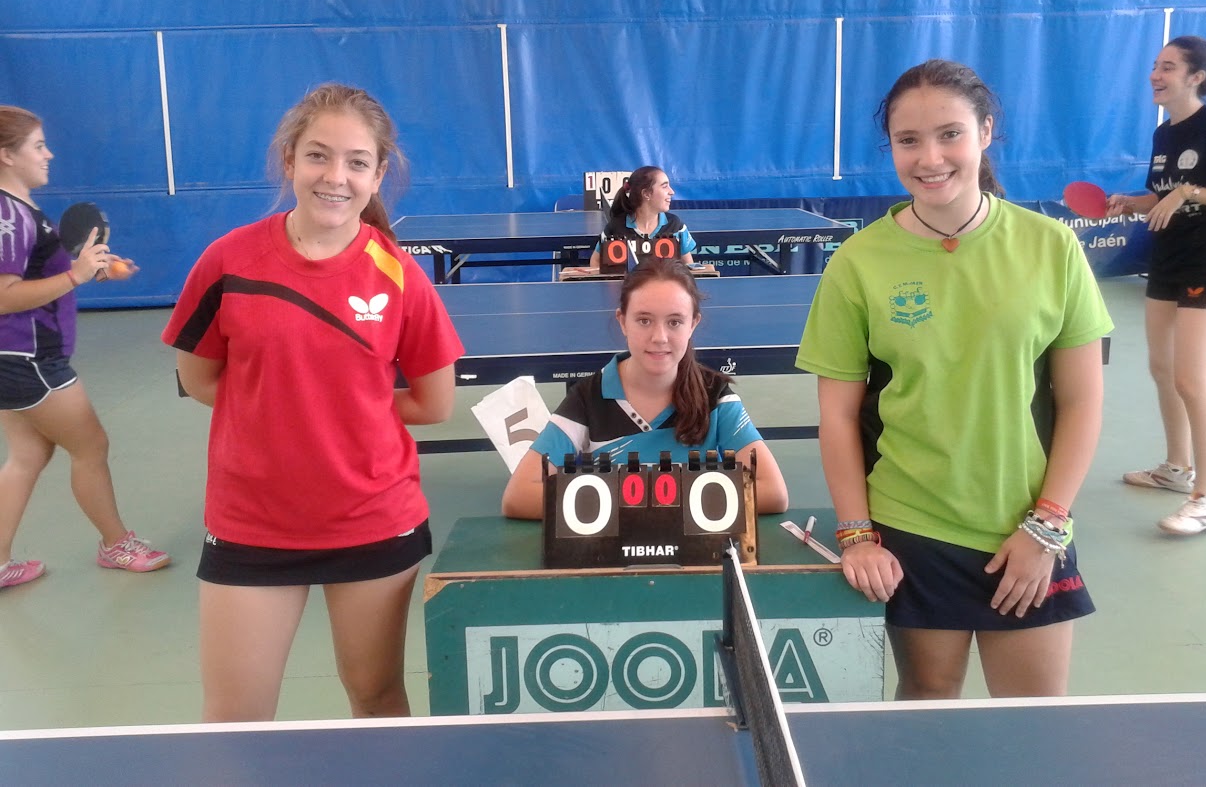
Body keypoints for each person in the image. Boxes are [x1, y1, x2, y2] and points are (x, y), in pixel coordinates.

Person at [796, 60, 1112, 699]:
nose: (930, 158)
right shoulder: (857, 262)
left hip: (1027, 529)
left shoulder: (1052, 246)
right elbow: (837, 417)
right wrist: (856, 536)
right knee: (928, 714)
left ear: (985, 132)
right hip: (911, 528)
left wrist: (1046, 526)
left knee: (1033, 726)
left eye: (950, 134)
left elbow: (1082, 401)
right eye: (908, 140)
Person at [162, 84, 464, 721]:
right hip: (251, 522)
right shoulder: (227, 262)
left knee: (377, 699)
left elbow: (435, 402)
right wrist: (290, 410)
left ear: (378, 174)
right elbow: (200, 380)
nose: (336, 176)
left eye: (357, 162)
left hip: (372, 518)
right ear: (289, 161)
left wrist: (344, 410)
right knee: (235, 721)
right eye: (318, 156)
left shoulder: (400, 276)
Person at [0, 105, 168, 590]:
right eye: (38, 145)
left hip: (17, 358)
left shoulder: (22, 210)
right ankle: (116, 544)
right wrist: (75, 274)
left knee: (28, 456)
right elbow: (5, 295)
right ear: (7, 155)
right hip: (29, 358)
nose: (48, 154)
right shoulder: (8, 215)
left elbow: (43, 274)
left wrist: (95, 269)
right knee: (91, 446)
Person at [502, 256, 788, 518]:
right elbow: (519, 496)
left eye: (674, 322)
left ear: (693, 324)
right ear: (622, 321)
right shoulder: (588, 398)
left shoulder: (715, 396)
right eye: (644, 320)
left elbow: (773, 491)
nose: (659, 337)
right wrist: (650, 501)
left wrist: (641, 500)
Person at [1106, 36, 1206, 535]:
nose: (1155, 74)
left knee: (1192, 379)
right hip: (1167, 261)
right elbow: (1161, 197)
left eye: (1168, 67)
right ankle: (1177, 468)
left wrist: (1188, 192)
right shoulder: (1163, 135)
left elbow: (1186, 193)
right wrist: (1131, 203)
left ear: (1196, 77)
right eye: (1155, 65)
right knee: (1162, 369)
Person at [587, 166, 697, 269]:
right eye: (664, 186)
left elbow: (688, 265)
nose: (672, 192)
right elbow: (595, 261)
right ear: (646, 194)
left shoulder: (675, 225)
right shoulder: (615, 226)